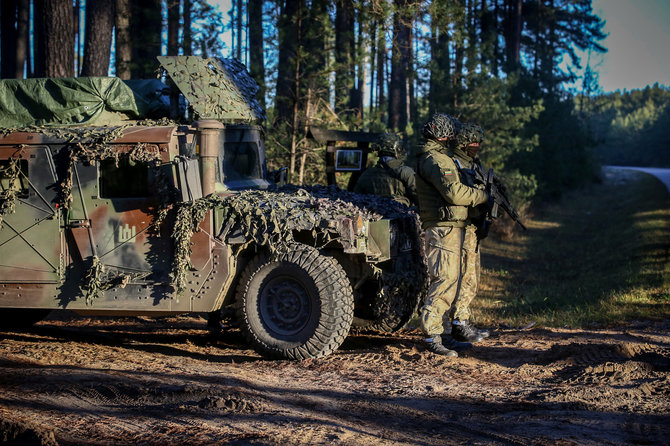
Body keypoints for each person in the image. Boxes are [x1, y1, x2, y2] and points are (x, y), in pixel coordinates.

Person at [413, 114, 491, 357]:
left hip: (449, 226)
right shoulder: (434, 160)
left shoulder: (439, 158)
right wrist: (482, 197)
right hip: (442, 227)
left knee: (451, 281)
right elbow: (454, 194)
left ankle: (444, 334)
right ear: (443, 135)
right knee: (444, 280)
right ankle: (432, 336)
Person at [354, 133, 418, 206]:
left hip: (374, 215)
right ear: (396, 148)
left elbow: (357, 198)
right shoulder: (406, 172)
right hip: (402, 215)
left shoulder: (367, 174)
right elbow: (420, 199)